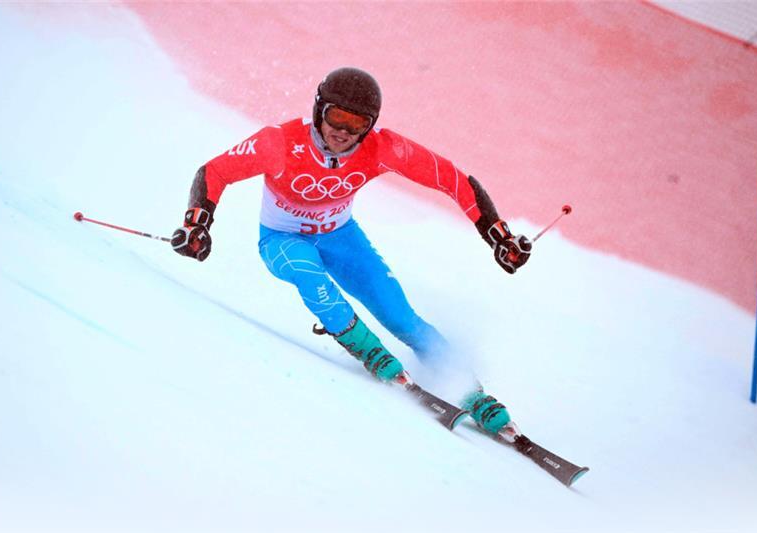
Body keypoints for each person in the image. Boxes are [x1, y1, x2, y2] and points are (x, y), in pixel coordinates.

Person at [171, 67, 532, 434]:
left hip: (342, 238)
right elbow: (214, 172)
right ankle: (370, 351)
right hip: (282, 240)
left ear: (370, 126)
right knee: (310, 275)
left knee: (402, 318)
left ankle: (473, 393)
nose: (342, 131)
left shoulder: (382, 148)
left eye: (356, 123)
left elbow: (454, 179)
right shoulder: (278, 142)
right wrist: (197, 223)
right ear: (318, 110)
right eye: (336, 116)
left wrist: (498, 236)